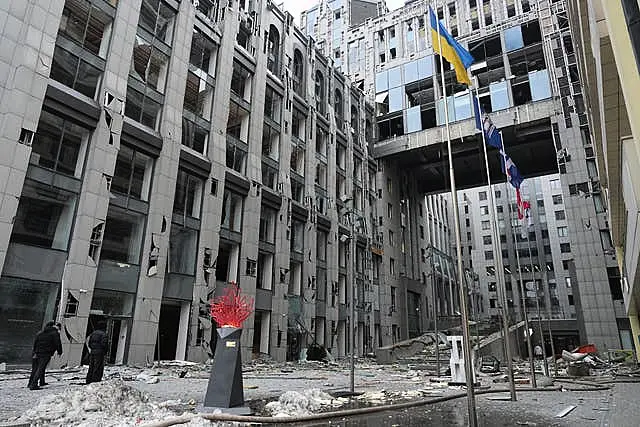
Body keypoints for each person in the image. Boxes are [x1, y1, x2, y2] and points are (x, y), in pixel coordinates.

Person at [28, 321, 63, 390]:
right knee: (41, 368)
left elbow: (35, 343)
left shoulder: (40, 333)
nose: (59, 329)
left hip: (36, 353)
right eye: (59, 328)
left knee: (36, 369)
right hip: (45, 353)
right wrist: (60, 351)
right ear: (55, 326)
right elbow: (57, 343)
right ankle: (34, 385)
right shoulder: (55, 333)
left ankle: (36, 382)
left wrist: (34, 352)